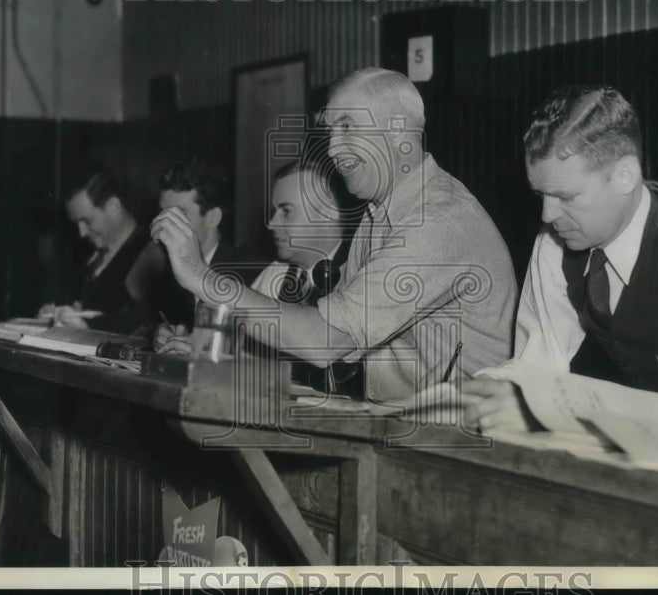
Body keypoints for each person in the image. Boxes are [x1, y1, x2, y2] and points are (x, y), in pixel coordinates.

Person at [152, 67, 518, 400]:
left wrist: (201, 277)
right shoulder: (380, 213)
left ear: (396, 130)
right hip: (408, 429)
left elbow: (325, 341)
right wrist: (218, 356)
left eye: (347, 127)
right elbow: (326, 337)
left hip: (456, 447)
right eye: (330, 131)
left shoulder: (436, 223)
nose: (331, 148)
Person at [464, 86, 658, 434]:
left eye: (565, 196)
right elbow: (538, 364)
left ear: (625, 176)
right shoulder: (556, 242)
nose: (547, 214)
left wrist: (551, 412)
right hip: (646, 443)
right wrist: (480, 390)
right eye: (540, 194)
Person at [249, 156, 361, 395]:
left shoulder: (363, 275)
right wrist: (202, 349)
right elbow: (248, 350)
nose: (271, 223)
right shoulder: (276, 273)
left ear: (329, 213)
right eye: (274, 211)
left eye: (286, 211)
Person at [141, 158, 257, 353]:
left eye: (179, 215)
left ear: (213, 217)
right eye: (163, 214)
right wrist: (161, 333)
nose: (164, 224)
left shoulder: (249, 271)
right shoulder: (167, 272)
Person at [39, 165, 148, 335]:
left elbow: (145, 324)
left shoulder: (151, 252)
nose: (81, 233)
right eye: (77, 224)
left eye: (87, 221)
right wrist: (59, 314)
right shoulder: (92, 253)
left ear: (114, 206)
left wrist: (87, 327)